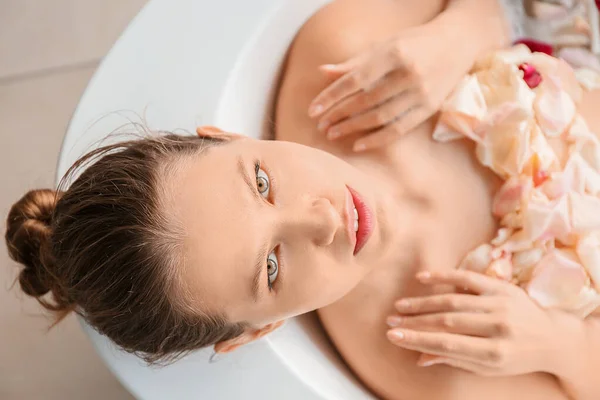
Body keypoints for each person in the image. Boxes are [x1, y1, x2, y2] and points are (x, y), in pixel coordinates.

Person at [4, 1, 599, 399]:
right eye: (270, 266)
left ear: (227, 136)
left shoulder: (339, 55)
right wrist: (559, 342)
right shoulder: (433, 354)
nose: (323, 218)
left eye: (261, 182)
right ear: (258, 330)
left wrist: (468, 27)